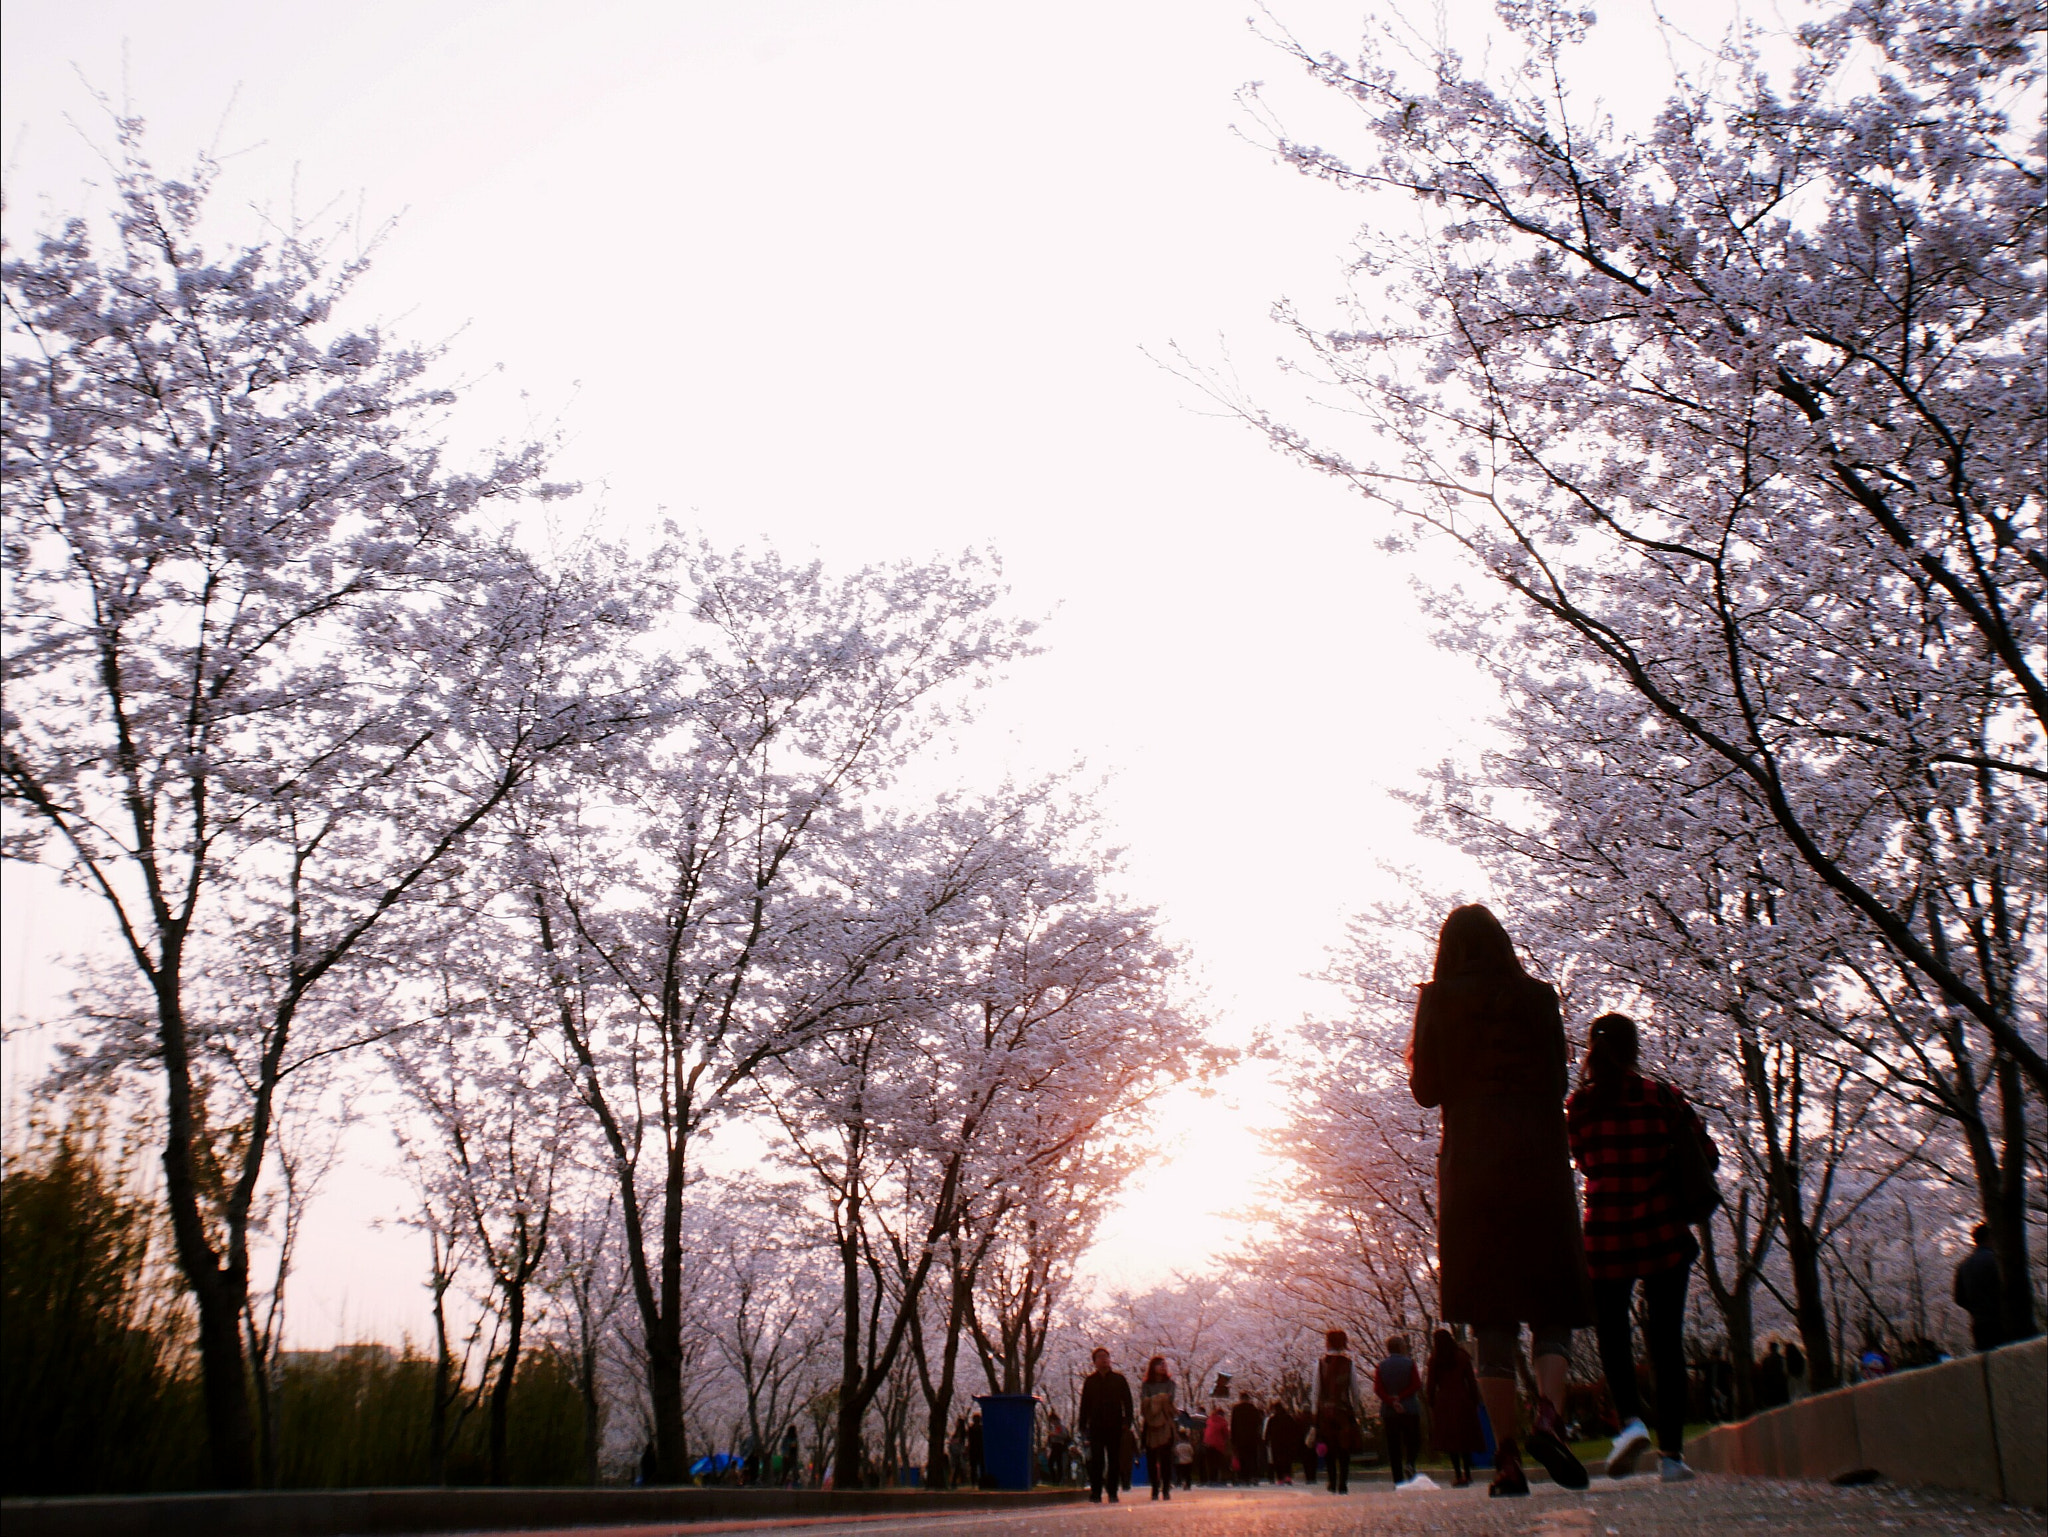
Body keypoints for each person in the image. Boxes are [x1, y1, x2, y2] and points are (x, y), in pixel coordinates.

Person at [1409, 904, 1593, 1498]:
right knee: (1550, 1306)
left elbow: (1426, 1091)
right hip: (1538, 1163)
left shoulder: (1438, 1000)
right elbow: (1558, 1083)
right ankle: (1548, 1417)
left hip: (1475, 1171)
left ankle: (1508, 1459)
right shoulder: (1540, 998)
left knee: (1491, 1316)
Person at [1566, 1011, 1715, 1485]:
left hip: (1605, 1234)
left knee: (1613, 1334)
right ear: (1634, 1050)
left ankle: (1630, 1422)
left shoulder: (1579, 1106)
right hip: (1662, 1231)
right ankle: (1672, 1455)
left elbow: (1582, 1160)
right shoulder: (1662, 1097)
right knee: (1666, 1342)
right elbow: (1707, 1155)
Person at [1425, 1328, 1484, 1488]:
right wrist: (1474, 1401)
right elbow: (1471, 1382)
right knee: (1464, 1437)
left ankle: (1458, 1474)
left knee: (1451, 1440)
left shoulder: (1435, 1359)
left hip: (1444, 1401)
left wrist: (1431, 1402)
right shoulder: (1462, 1356)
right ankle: (1468, 1473)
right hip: (1462, 1399)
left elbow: (1430, 1385)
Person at [1077, 1346, 1133, 1503]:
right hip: (1096, 1426)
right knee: (1097, 1460)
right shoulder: (1090, 1381)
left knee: (1114, 1459)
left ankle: (1113, 1492)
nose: (1104, 1359)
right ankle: (1096, 1492)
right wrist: (1082, 1425)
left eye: (1106, 1356)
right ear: (1094, 1362)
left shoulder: (1119, 1379)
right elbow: (1084, 1404)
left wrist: (1128, 1421)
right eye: (1100, 1357)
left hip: (1115, 1425)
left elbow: (1128, 1402)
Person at [1314, 1328, 1361, 1493]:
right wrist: (1355, 1410)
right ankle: (1343, 1483)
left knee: (1329, 1448)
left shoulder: (1320, 1363)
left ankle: (1332, 1481)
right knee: (1344, 1448)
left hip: (1326, 1413)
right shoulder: (1349, 1364)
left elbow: (1316, 1391)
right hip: (1343, 1411)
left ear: (1328, 1343)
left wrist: (1315, 1413)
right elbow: (1355, 1390)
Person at [1372, 1335, 1423, 1485]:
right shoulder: (1410, 1364)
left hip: (1389, 1411)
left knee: (1393, 1445)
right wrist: (1401, 1398)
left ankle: (1398, 1479)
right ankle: (1410, 1463)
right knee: (1413, 1440)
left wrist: (1392, 1401)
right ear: (1402, 1347)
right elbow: (1416, 1384)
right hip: (1410, 1409)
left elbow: (1378, 1389)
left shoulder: (1381, 1366)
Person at [1955, 1225, 2008, 1352]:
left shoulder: (1964, 1266)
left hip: (1979, 1324)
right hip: (2001, 1322)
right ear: (1989, 1238)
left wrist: (1975, 1309)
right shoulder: (1997, 1260)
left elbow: (1959, 1298)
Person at [1139, 1356, 1178, 1501]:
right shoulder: (1146, 1385)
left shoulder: (1170, 1383)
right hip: (1150, 1424)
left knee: (1166, 1458)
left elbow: (1169, 1400)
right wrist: (1160, 1399)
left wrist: (1154, 1400)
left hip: (1166, 1424)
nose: (1162, 1367)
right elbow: (1144, 1402)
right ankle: (1154, 1488)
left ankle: (1166, 1488)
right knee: (1151, 1458)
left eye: (1164, 1365)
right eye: (1159, 1365)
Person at [1230, 1390, 1262, 1484]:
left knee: (1242, 1458)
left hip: (1240, 1438)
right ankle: (1254, 1476)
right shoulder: (1253, 1408)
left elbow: (1233, 1425)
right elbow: (1258, 1423)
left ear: (1240, 1399)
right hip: (1252, 1438)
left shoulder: (1236, 1409)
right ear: (1248, 1399)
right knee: (1252, 1457)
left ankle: (1243, 1477)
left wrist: (1233, 1439)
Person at [1264, 1400, 1300, 1484]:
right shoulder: (1288, 1418)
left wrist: (1266, 1441)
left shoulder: (1272, 1420)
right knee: (1287, 1460)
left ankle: (1280, 1478)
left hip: (1276, 1443)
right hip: (1287, 1443)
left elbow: (1268, 1432)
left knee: (1277, 1461)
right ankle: (1287, 1476)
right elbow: (1295, 1430)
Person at [1755, 1341, 1789, 1409]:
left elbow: (1763, 1374)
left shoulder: (1766, 1360)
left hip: (1770, 1386)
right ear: (1777, 1348)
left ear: (1770, 1348)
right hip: (1781, 1385)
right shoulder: (1782, 1359)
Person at [1202, 1404, 1230, 1484]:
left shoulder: (1209, 1420)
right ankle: (1218, 1479)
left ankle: (1211, 1479)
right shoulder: (1223, 1422)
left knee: (1210, 1463)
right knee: (1218, 1462)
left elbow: (1205, 1430)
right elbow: (1226, 1434)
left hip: (1207, 1443)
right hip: (1217, 1444)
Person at [1045, 1413, 1072, 1486]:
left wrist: (1054, 1434)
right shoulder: (1054, 1427)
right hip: (1054, 1446)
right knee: (1054, 1463)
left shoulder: (1060, 1427)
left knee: (1056, 1463)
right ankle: (1055, 1479)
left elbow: (1064, 1435)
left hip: (1058, 1445)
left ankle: (1057, 1480)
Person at [966, 1411, 986, 1489]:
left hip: (973, 1450)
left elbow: (969, 1440)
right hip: (981, 1450)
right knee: (982, 1467)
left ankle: (973, 1483)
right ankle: (982, 1482)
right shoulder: (982, 1429)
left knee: (973, 1468)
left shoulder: (971, 1429)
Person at [1174, 1425, 1195, 1489]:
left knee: (1182, 1474)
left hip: (1181, 1462)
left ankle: (1182, 1483)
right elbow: (1192, 1453)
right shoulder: (1188, 1445)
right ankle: (1188, 1485)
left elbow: (1176, 1453)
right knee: (1188, 1474)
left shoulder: (1178, 1446)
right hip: (1188, 1461)